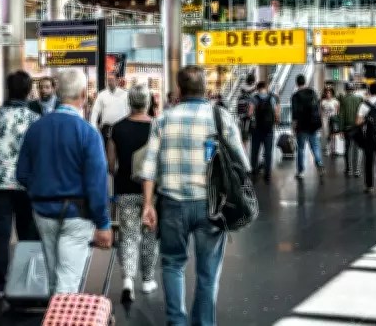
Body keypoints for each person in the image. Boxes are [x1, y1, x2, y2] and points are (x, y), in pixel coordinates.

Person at [140, 66, 249, 326]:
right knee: (208, 273)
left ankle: (176, 321)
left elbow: (149, 167)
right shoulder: (220, 117)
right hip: (211, 206)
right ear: (205, 89)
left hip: (172, 205)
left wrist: (147, 205)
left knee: (172, 264)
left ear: (179, 90)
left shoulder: (163, 119)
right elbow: (243, 164)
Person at [16, 68, 112, 295]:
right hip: (78, 214)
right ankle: (62, 312)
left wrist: (40, 189)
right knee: (68, 281)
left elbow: (21, 173)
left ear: (57, 93)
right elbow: (97, 183)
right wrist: (103, 223)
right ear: (83, 94)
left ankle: (54, 309)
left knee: (53, 278)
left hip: (43, 211)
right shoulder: (88, 133)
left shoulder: (36, 129)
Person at [0, 71, 41, 307]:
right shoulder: (35, 119)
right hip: (26, 184)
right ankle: (26, 282)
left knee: (1, 234)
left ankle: (0, 286)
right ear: (29, 91)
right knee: (27, 233)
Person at [106, 84, 158, 302]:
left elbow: (111, 164)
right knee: (149, 235)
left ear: (129, 102)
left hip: (125, 188)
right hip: (152, 191)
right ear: (148, 103)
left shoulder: (116, 128)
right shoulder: (157, 126)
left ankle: (128, 279)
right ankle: (147, 280)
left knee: (128, 235)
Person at [291, 74, 324, 179]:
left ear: (297, 83)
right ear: (305, 81)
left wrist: (294, 127)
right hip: (313, 125)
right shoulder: (312, 92)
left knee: (301, 149)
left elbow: (295, 113)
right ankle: (319, 162)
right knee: (315, 146)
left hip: (301, 126)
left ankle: (300, 171)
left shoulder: (295, 96)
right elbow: (318, 108)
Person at [248, 81, 280, 183]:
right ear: (266, 87)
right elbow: (277, 114)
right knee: (268, 152)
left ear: (257, 89)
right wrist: (275, 121)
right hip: (268, 130)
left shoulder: (254, 98)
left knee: (254, 152)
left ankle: (254, 173)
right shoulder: (272, 98)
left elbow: (249, 113)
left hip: (257, 129)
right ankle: (267, 175)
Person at [89, 73, 130, 140]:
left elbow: (129, 111)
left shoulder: (125, 95)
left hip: (122, 129)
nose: (110, 82)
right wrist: (93, 127)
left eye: (111, 80)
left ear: (117, 80)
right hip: (106, 129)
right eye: (108, 80)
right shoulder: (102, 94)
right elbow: (95, 111)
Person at [337, 83, 363, 177]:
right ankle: (357, 170)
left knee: (348, 148)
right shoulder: (360, 99)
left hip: (347, 128)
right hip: (358, 127)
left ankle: (349, 170)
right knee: (358, 149)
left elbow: (341, 115)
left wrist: (340, 129)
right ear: (354, 89)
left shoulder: (343, 100)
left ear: (345, 89)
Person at [320, 86, 339, 157]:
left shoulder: (335, 101)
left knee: (333, 135)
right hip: (325, 120)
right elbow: (321, 112)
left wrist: (337, 120)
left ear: (332, 93)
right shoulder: (323, 102)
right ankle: (328, 149)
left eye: (329, 93)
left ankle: (334, 150)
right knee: (327, 135)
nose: (328, 94)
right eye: (327, 93)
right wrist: (321, 120)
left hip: (333, 120)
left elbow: (337, 112)